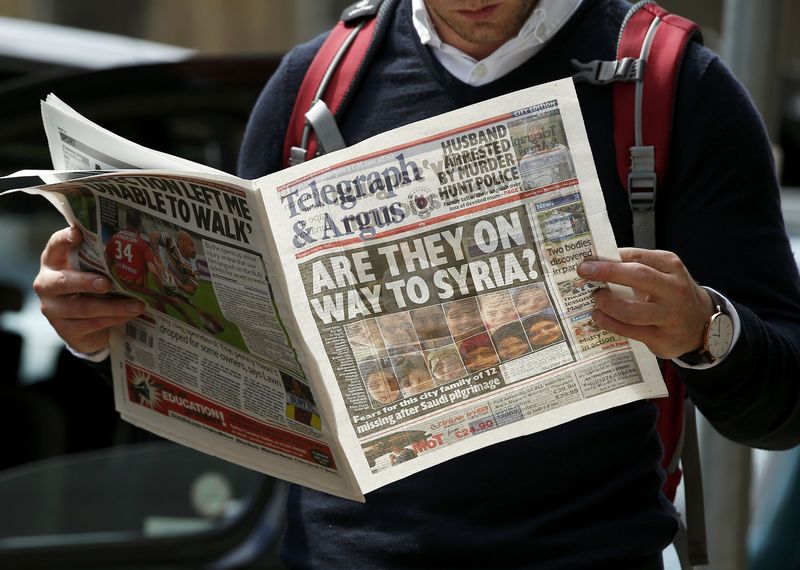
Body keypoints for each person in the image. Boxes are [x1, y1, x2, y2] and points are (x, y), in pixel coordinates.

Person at [32, 0, 800, 568]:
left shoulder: (675, 87)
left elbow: (786, 401)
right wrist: (100, 326)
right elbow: (234, 348)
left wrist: (707, 329)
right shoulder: (315, 84)